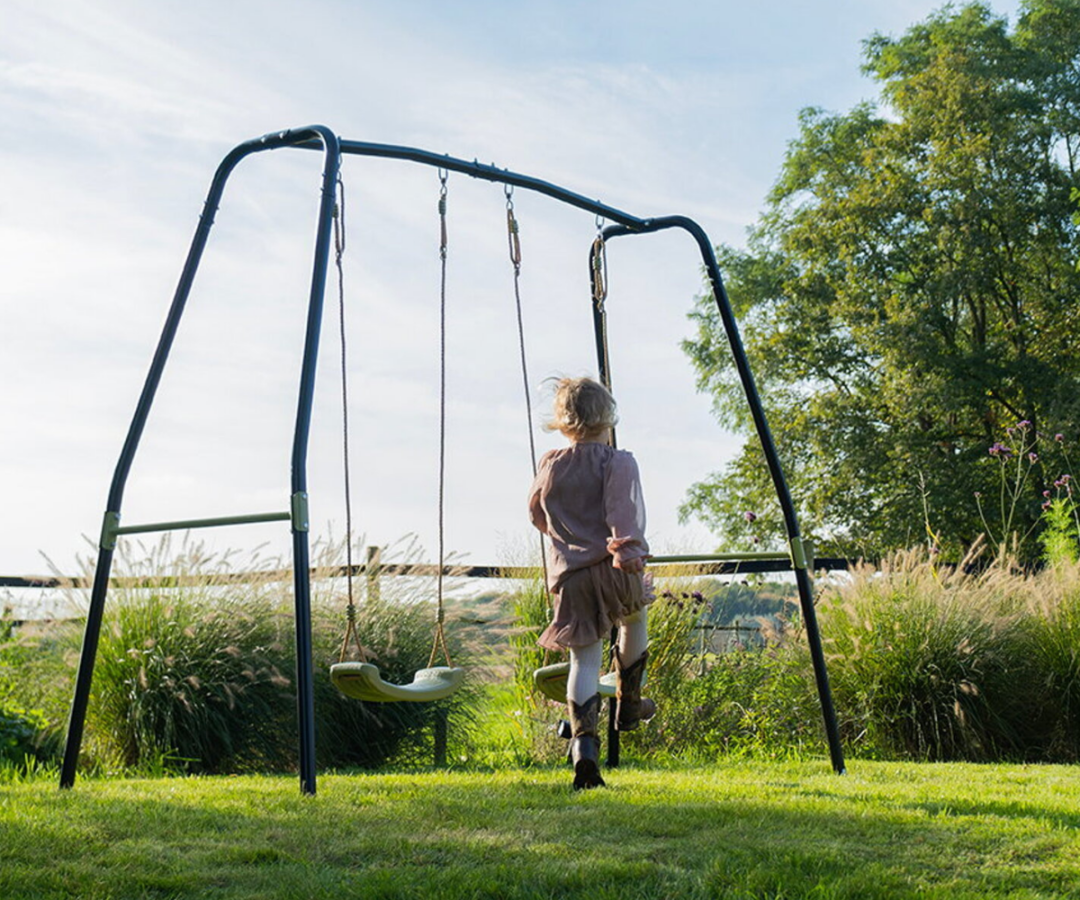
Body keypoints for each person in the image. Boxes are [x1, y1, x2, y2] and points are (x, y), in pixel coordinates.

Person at [527, 376, 655, 790]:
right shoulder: (618, 462)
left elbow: (536, 515)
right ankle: (629, 705)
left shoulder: (550, 463)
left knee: (584, 660)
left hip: (571, 576)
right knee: (634, 622)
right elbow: (624, 515)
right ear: (608, 419)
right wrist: (627, 550)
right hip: (614, 568)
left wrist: (567, 536)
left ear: (562, 423)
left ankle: (584, 749)